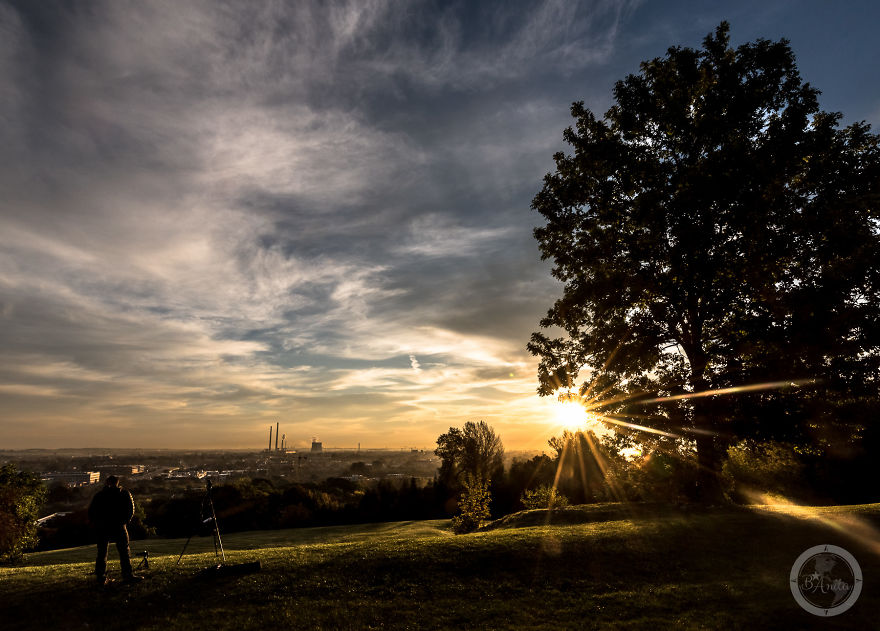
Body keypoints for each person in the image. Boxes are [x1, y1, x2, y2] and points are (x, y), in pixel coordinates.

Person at [88, 475, 142, 585]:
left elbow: (91, 511)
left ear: (107, 482)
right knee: (124, 552)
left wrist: (97, 523)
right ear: (117, 483)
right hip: (119, 526)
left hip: (103, 527)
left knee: (102, 553)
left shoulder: (99, 495)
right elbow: (131, 509)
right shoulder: (124, 494)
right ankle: (127, 575)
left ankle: (101, 577)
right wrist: (125, 521)